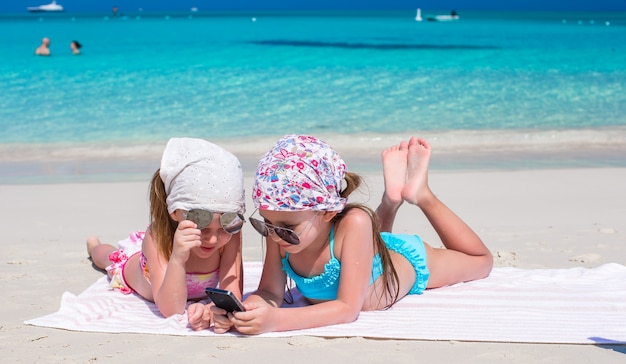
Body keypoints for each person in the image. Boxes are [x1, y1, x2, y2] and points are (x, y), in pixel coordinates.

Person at [211, 134, 493, 334]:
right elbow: (269, 293)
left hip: (403, 260)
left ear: (327, 212)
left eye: (285, 229)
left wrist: (276, 321)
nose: (274, 236)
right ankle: (390, 202)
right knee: (369, 242)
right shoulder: (281, 231)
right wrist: (241, 311)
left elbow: (347, 309)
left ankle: (421, 194)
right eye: (267, 224)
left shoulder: (354, 222)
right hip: (364, 254)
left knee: (481, 262)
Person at [86, 137, 245, 330]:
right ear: (175, 211)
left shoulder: (230, 232)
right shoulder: (157, 237)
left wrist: (213, 310)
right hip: (136, 268)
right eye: (202, 226)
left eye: (222, 228)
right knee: (107, 258)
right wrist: (177, 258)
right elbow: (171, 309)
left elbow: (232, 291)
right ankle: (93, 244)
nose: (212, 239)